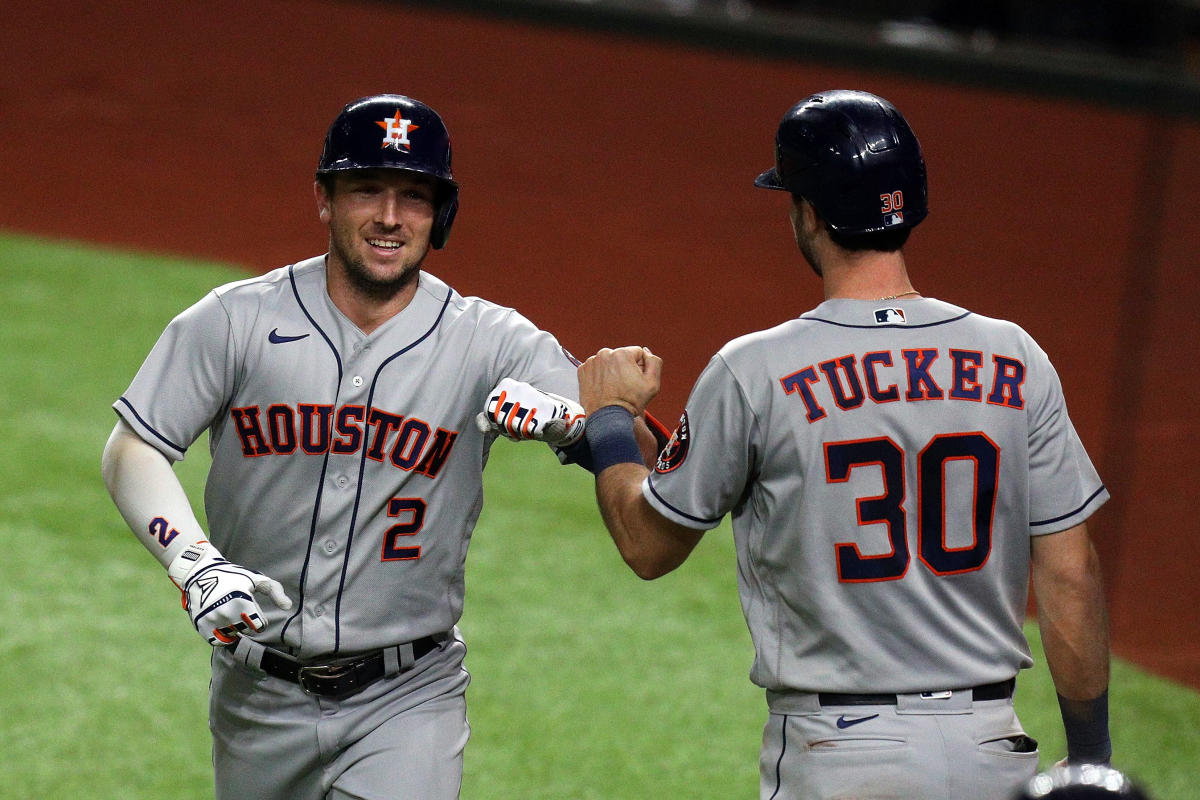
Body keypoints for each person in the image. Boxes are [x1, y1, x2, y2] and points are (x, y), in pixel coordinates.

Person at [576, 90, 1113, 800]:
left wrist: (612, 424)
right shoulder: (1015, 357)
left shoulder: (755, 369)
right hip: (995, 748)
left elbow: (649, 545)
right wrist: (1090, 763)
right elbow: (1071, 574)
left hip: (842, 756)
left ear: (808, 212)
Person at [101, 93, 599, 800]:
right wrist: (192, 562)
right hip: (255, 696)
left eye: (414, 196)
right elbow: (133, 448)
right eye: (367, 189)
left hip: (408, 696)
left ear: (441, 212)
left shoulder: (492, 342)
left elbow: (641, 455)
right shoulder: (234, 320)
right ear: (324, 198)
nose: (391, 217)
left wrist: (575, 424)